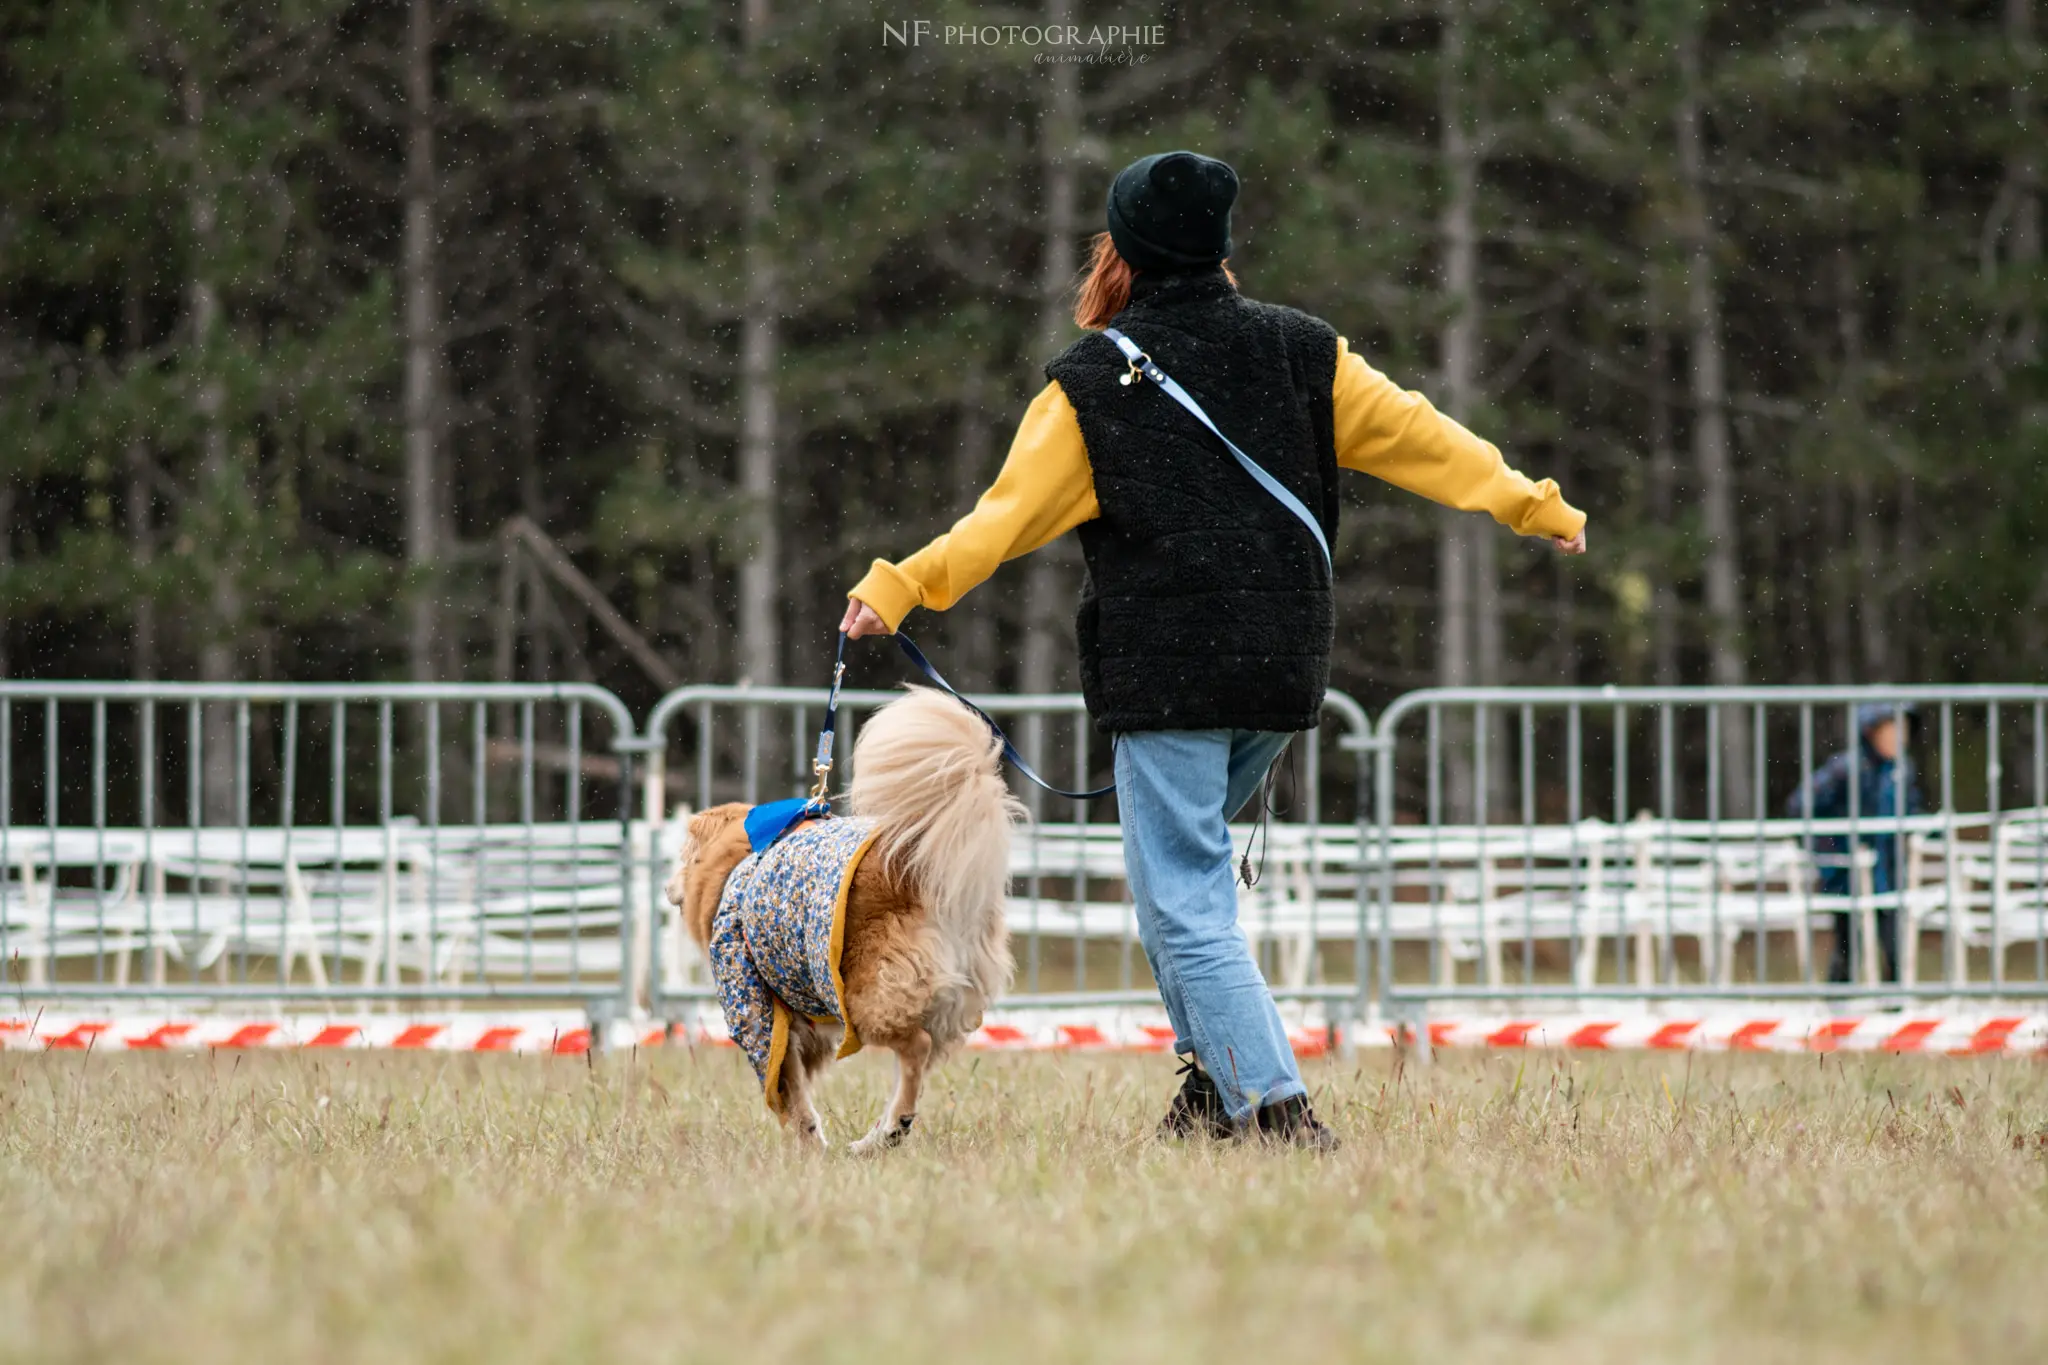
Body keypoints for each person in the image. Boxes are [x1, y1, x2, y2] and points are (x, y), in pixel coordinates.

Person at [840, 150, 1588, 1149]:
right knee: (1173, 889)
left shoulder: (1090, 383)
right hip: (1280, 662)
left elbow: (997, 524)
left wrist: (898, 585)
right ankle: (1211, 1094)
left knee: (1183, 898)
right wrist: (1524, 500)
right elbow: (1425, 437)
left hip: (1171, 670)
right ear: (1219, 249)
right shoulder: (1301, 351)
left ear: (1122, 254)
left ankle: (1273, 1108)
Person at [1782, 703, 1922, 984]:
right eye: (1893, 729)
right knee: (1849, 941)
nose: (1900, 737)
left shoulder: (1902, 770)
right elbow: (1801, 806)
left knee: (1893, 941)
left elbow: (1912, 811)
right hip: (1849, 874)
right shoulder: (1846, 768)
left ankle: (1895, 1006)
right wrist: (1830, 849)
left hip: (1889, 871)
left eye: (1903, 730)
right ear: (1872, 732)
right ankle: (1838, 1005)